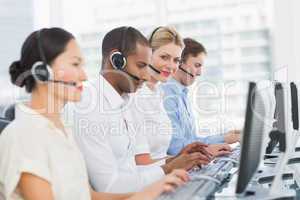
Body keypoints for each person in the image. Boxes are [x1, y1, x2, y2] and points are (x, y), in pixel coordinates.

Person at [0, 27, 189, 200]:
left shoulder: (61, 130)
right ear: (42, 72)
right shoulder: (24, 135)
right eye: (75, 64)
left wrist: (153, 190)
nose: (83, 75)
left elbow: (88, 196)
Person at [132, 27, 232, 166]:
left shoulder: (157, 94)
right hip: (153, 180)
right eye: (164, 57)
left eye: (175, 60)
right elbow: (142, 164)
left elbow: (163, 156)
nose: (171, 66)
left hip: (163, 174)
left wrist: (201, 154)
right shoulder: (137, 97)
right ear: (148, 54)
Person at [161, 37, 241, 156]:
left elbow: (191, 139)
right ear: (180, 63)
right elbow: (175, 147)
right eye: (197, 65)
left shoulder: (182, 94)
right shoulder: (167, 95)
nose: (199, 73)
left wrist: (226, 137)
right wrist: (224, 139)